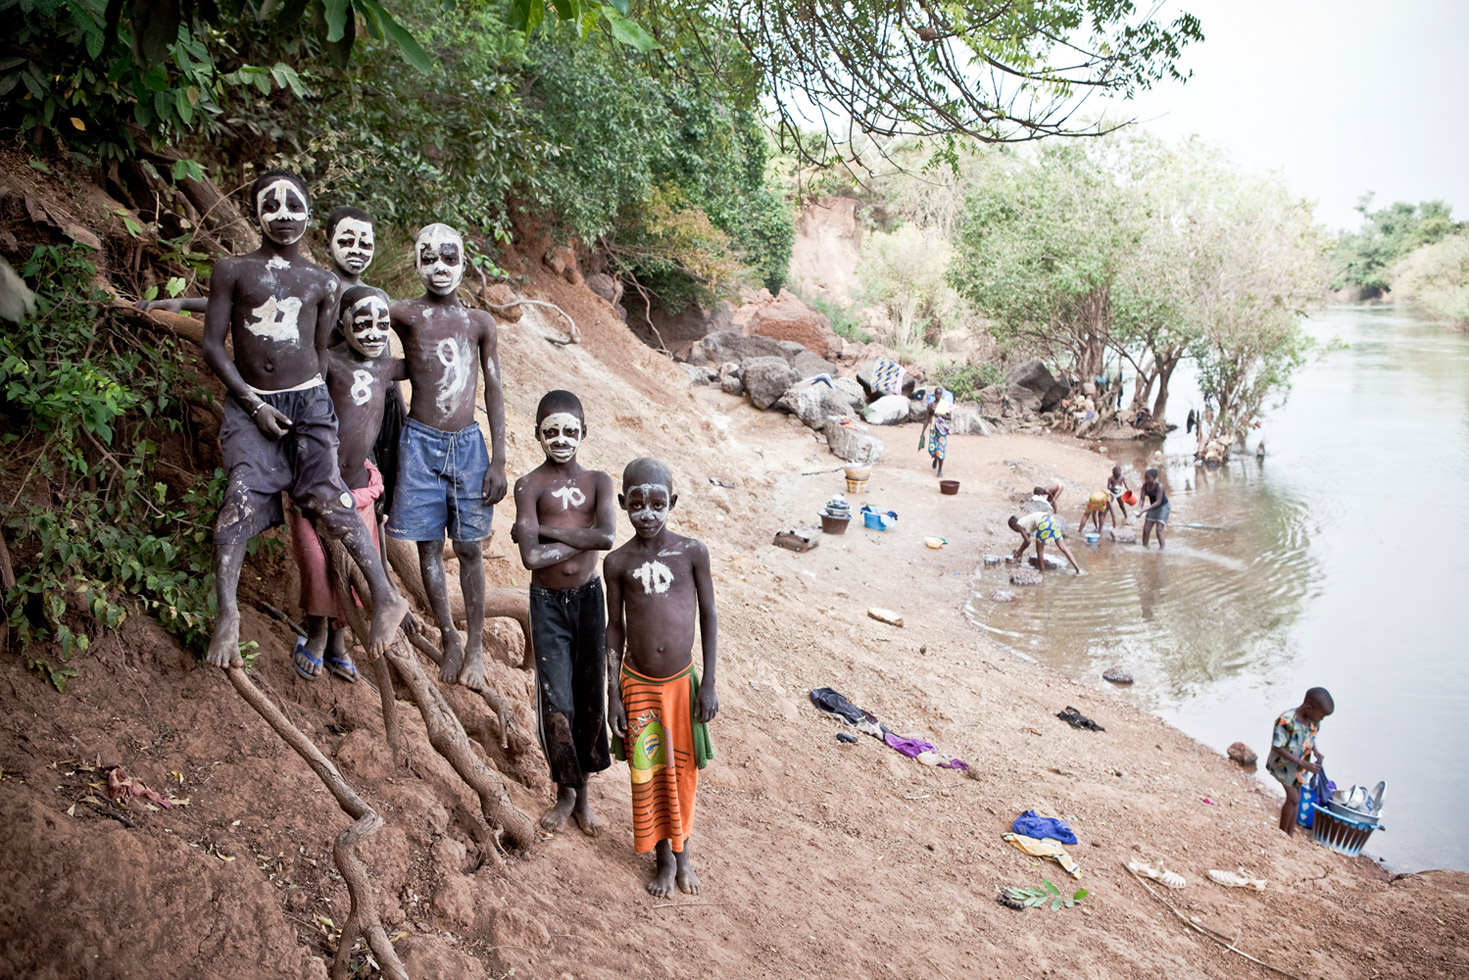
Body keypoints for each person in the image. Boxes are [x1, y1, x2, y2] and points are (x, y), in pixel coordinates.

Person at [201, 170, 407, 669]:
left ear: (309, 215)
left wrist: (314, 411)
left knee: (330, 496)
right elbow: (213, 343)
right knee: (239, 497)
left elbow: (318, 353)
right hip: (251, 405)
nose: (284, 214)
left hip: (308, 404)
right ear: (255, 213)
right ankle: (227, 615)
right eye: (271, 204)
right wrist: (252, 402)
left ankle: (385, 596)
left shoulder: (322, 282)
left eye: (294, 205)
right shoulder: (232, 270)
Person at [388, 223, 508, 692]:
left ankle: (476, 644)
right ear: (417, 263)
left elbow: (494, 387)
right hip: (419, 442)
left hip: (469, 445)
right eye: (429, 257)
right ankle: (448, 635)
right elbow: (355, 322)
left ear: (464, 262)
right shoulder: (405, 313)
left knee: (470, 547)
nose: (440, 267)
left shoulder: (479, 323)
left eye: (450, 257)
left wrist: (498, 459)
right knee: (427, 546)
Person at [605, 458, 718, 897]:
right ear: (623, 505)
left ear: (672, 502)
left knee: (683, 772)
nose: (647, 514)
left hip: (681, 685)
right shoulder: (617, 563)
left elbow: (708, 614)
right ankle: (663, 860)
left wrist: (708, 682)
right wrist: (612, 691)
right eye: (637, 505)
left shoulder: (692, 552)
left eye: (657, 504)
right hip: (637, 685)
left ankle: (684, 854)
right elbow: (615, 628)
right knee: (649, 769)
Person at [510, 390, 617, 834]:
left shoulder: (599, 481)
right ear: (537, 435)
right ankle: (564, 793)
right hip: (548, 605)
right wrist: (580, 535)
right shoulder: (529, 485)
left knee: (590, 696)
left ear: (584, 433)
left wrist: (541, 529)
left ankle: (584, 794)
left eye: (569, 431)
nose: (560, 439)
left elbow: (607, 537)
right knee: (558, 702)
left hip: (590, 599)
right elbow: (531, 560)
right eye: (550, 431)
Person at [287, 285, 406, 681]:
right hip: (315, 486)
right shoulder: (329, 363)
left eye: (382, 325)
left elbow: (425, 360)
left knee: (355, 571)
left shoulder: (387, 368)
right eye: (363, 323)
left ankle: (339, 642)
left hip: (359, 489)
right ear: (342, 324)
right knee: (316, 562)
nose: (373, 332)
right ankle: (316, 633)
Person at [138, 205, 378, 317]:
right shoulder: (314, 284)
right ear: (328, 245)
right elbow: (251, 303)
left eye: (365, 244)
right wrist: (182, 303)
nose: (356, 251)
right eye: (346, 242)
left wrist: (396, 402)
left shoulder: (376, 295)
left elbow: (382, 357)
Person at [1266, 688, 1334, 835]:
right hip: (1283, 765)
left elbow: (1311, 737)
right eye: (1321, 715)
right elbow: (1277, 746)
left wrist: (1315, 750)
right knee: (1293, 798)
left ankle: (1289, 834)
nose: (1321, 719)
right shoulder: (1287, 721)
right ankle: (1282, 834)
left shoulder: (1314, 722)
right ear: (1309, 708)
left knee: (1297, 798)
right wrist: (1302, 763)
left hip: (1300, 768)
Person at [1008, 511, 1082, 574]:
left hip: (1043, 523)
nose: (1015, 530)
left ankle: (1042, 572)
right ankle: (1078, 569)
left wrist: (1019, 551)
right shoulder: (1025, 522)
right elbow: (1026, 542)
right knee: (1063, 547)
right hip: (1051, 520)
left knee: (1040, 551)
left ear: (1013, 526)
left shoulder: (1018, 525)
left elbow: (1028, 541)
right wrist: (1020, 552)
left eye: (1013, 529)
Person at [917, 385, 954, 477]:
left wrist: (940, 415)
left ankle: (940, 470)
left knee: (940, 448)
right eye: (936, 394)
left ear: (941, 395)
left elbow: (949, 417)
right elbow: (926, 419)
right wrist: (922, 432)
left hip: (941, 428)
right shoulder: (930, 405)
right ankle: (935, 458)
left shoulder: (945, 405)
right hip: (933, 427)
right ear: (934, 394)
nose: (938, 395)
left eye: (939, 394)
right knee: (932, 448)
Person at [1139, 467, 1170, 549]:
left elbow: (1158, 502)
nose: (1147, 480)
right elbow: (1142, 498)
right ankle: (1144, 548)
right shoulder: (1144, 486)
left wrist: (1144, 510)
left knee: (1159, 531)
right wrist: (1140, 509)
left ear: (1154, 478)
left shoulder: (1159, 486)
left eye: (1148, 478)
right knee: (1146, 530)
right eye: (1146, 478)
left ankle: (1162, 550)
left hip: (1163, 507)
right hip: (1152, 507)